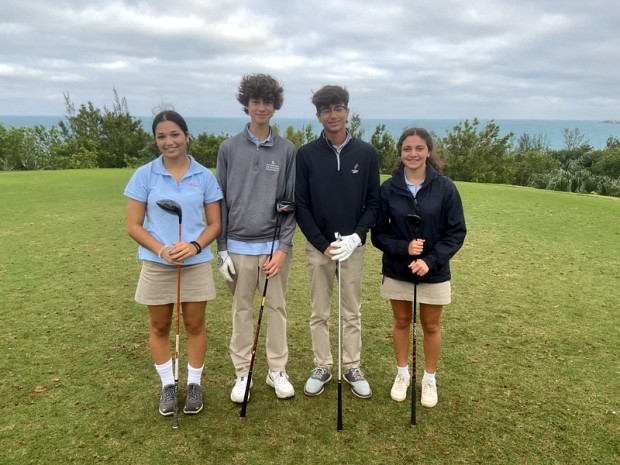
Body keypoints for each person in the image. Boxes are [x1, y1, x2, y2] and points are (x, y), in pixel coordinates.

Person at [125, 110, 223, 417]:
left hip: (195, 263)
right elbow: (134, 225)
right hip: (157, 264)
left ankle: (194, 384)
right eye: (162, 136)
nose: (169, 142)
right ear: (155, 140)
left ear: (186, 136)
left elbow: (215, 224)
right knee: (160, 325)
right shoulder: (145, 174)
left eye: (175, 134)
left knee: (194, 325)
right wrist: (161, 250)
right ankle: (168, 386)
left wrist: (194, 246)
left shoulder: (204, 176)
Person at [371, 127, 466, 407]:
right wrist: (404, 248)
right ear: (400, 153)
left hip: (433, 271)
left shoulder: (445, 186)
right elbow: (378, 233)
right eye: (407, 149)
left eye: (419, 148)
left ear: (428, 151)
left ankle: (429, 379)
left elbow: (456, 232)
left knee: (431, 325)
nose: (413, 154)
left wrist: (429, 260)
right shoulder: (389, 188)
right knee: (401, 322)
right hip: (398, 269)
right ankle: (402, 374)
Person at [216, 74, 297, 403]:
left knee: (276, 309)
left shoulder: (287, 150)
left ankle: (276, 369)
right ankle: (242, 372)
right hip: (236, 248)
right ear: (246, 105)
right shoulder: (228, 148)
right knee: (242, 311)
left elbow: (291, 203)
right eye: (255, 102)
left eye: (267, 102)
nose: (261, 108)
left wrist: (283, 248)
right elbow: (218, 201)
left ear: (274, 106)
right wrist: (221, 249)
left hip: (273, 251)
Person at [295, 85, 380, 399]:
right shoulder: (306, 155)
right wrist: (320, 243)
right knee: (319, 311)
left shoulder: (366, 153)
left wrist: (356, 238)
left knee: (352, 311)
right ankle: (322, 364)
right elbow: (300, 205)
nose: (333, 115)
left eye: (338, 108)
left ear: (347, 111)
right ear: (319, 116)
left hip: (353, 248)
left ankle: (352, 365)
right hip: (320, 248)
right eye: (326, 110)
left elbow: (374, 203)